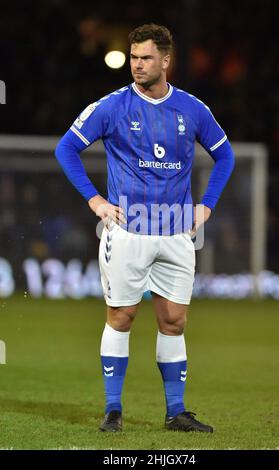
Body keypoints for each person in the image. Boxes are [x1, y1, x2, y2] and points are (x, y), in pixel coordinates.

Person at [55, 23, 234, 433]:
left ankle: (175, 413)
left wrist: (206, 206)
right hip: (129, 232)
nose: (137, 65)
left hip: (176, 235)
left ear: (166, 60)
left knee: (174, 320)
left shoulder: (192, 108)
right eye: (133, 58)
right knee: (121, 317)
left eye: (145, 58)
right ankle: (113, 409)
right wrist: (95, 200)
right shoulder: (113, 106)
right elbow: (66, 147)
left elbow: (225, 157)